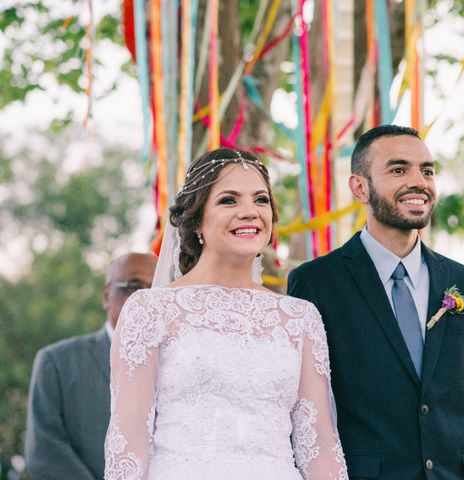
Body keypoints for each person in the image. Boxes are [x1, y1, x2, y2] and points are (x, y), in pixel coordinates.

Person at [288, 125, 464, 479]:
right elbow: (305, 409)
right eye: (399, 170)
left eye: (427, 171)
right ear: (359, 187)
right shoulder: (317, 283)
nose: (419, 182)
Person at [104, 148, 347, 479]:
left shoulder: (300, 318)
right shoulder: (150, 311)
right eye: (229, 200)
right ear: (197, 219)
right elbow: (128, 443)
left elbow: (319, 445)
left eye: (261, 200)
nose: (249, 212)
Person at [26, 252, 157, 480]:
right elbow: (45, 453)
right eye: (134, 287)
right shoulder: (57, 363)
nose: (145, 299)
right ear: (107, 296)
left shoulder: (174, 364)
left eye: (155, 289)